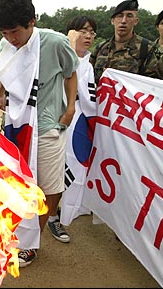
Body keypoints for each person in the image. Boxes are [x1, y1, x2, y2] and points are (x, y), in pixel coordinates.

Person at [0, 0, 79, 267]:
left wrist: (70, 108)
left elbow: (71, 72)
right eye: (4, 33)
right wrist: (3, 93)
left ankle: (31, 243)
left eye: (14, 31)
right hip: (16, 126)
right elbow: (7, 71)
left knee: (45, 187)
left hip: (48, 125)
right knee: (17, 186)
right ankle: (16, 233)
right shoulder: (6, 45)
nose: (10, 39)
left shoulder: (55, 42)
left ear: (32, 21)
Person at [59, 15, 98, 225]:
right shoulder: (58, 56)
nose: (88, 36)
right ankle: (53, 215)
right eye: (83, 31)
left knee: (76, 164)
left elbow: (90, 100)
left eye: (92, 32)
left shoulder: (89, 65)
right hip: (57, 119)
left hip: (79, 123)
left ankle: (71, 209)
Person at [90, 0, 154, 84]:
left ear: (136, 21)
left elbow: (153, 85)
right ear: (112, 20)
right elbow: (89, 78)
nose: (123, 21)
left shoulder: (147, 48)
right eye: (120, 16)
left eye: (129, 16)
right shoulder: (100, 48)